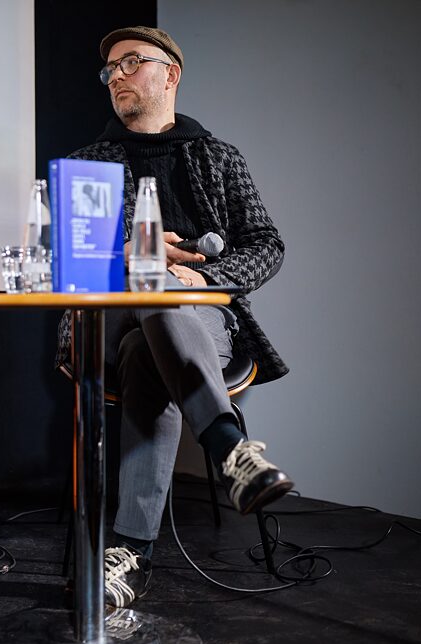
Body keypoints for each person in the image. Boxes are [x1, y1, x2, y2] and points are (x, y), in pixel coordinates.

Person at [56, 26, 294, 608]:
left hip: (200, 317)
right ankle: (231, 449)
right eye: (109, 69)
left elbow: (266, 245)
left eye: (131, 62)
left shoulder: (218, 157)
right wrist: (135, 257)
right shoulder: (86, 164)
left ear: (171, 74)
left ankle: (129, 554)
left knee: (149, 351)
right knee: (148, 284)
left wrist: (200, 278)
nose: (116, 76)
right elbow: (69, 267)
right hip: (105, 320)